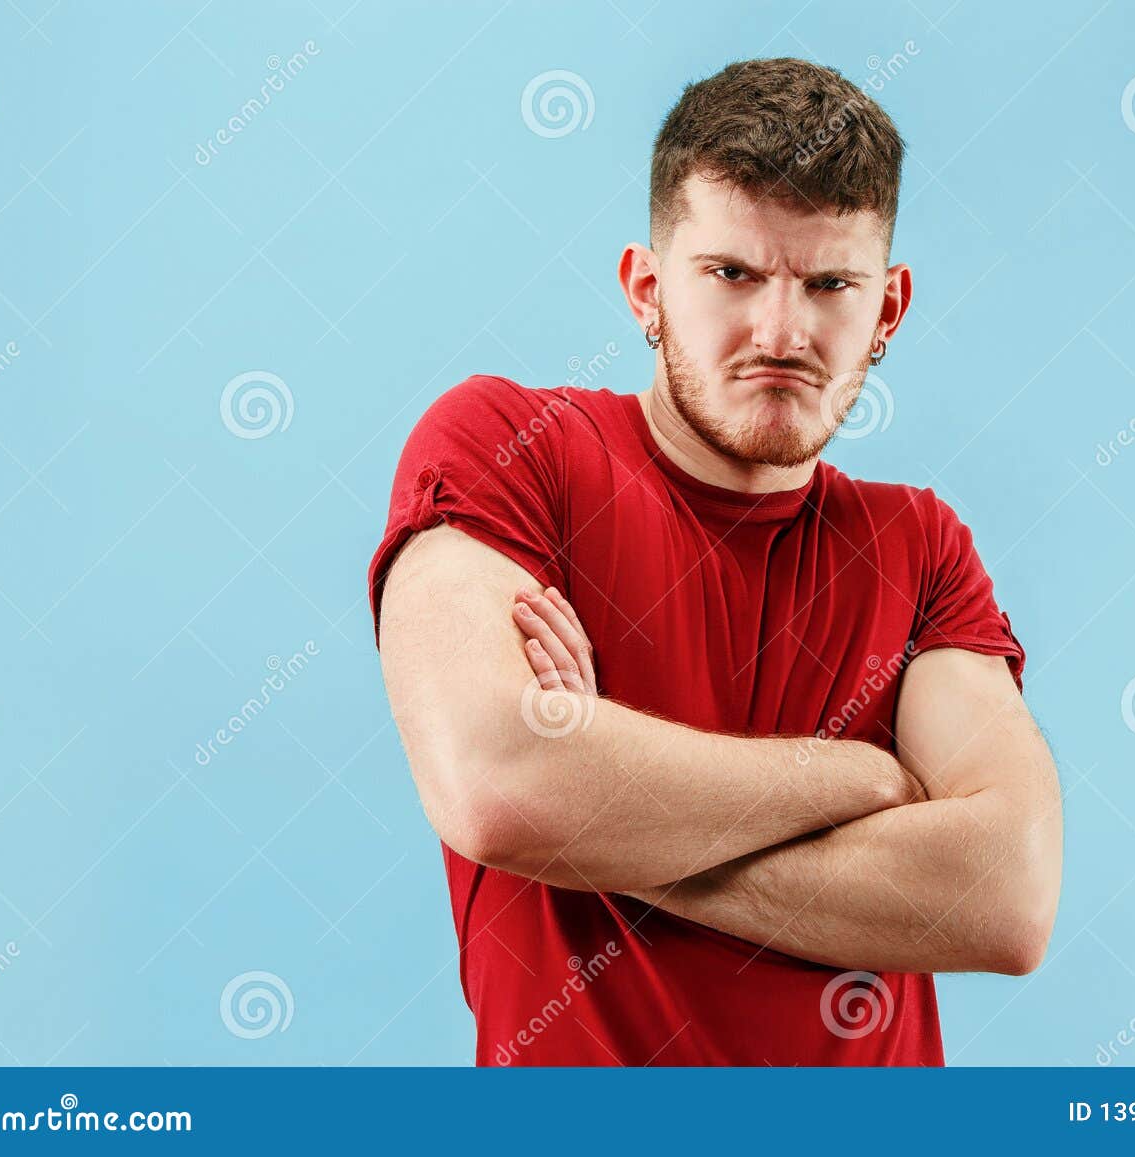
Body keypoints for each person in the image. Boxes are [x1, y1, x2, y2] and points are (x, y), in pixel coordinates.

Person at [368, 57, 1062, 1066]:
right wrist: (859, 776)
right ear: (646, 287)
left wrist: (603, 818)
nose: (781, 331)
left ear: (888, 310)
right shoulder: (508, 447)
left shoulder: (919, 545)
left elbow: (1005, 895)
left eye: (830, 284)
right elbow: (496, 783)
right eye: (732, 274)